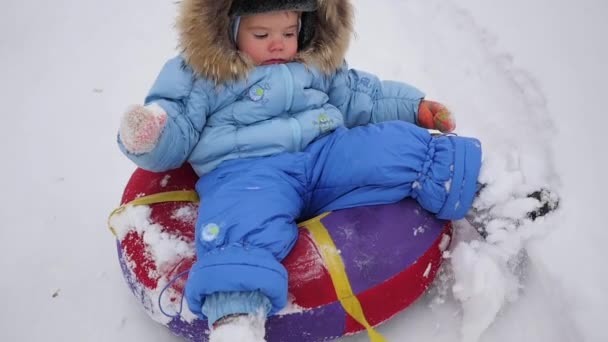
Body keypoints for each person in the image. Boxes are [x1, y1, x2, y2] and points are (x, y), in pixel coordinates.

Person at [116, 1, 555, 340]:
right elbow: (176, 127)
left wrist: (413, 108)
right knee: (239, 220)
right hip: (248, 171)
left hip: (325, 154)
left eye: (289, 32)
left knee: (395, 147)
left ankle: (492, 196)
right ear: (227, 30)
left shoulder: (312, 63)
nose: (278, 44)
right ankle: (236, 317)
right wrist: (150, 134)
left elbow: (360, 96)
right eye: (262, 33)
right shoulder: (202, 76)